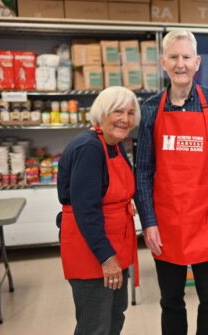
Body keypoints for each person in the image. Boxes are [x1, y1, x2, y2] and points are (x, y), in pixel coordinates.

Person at [134, 30, 208, 335]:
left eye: (187, 57)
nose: (181, 64)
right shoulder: (151, 108)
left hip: (207, 218)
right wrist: (148, 221)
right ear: (163, 62)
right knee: (171, 301)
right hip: (165, 224)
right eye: (174, 57)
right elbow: (142, 170)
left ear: (197, 62)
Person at [57, 86, 141, 335]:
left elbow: (108, 191)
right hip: (93, 252)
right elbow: (86, 211)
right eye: (118, 111)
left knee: (115, 315)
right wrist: (106, 258)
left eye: (130, 112)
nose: (125, 119)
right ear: (102, 112)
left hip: (115, 245)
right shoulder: (89, 148)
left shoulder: (113, 144)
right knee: (95, 325)